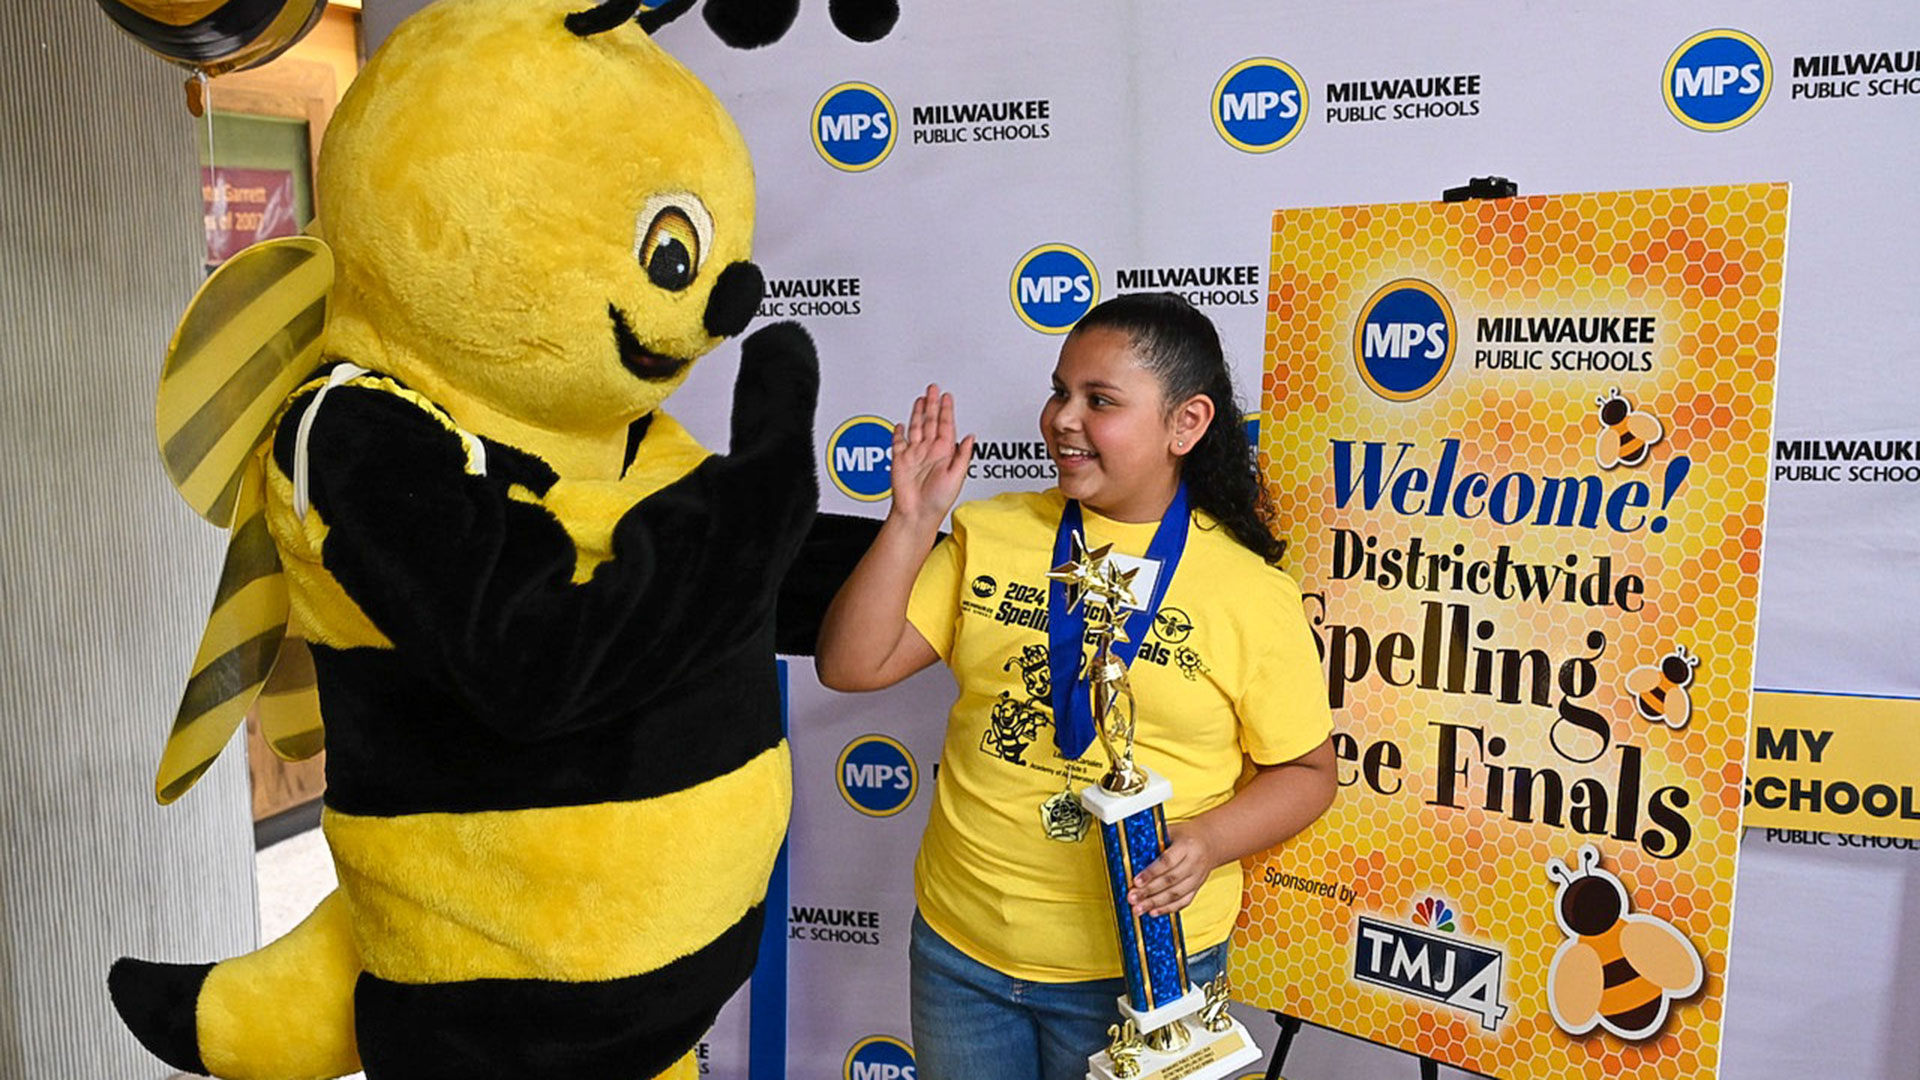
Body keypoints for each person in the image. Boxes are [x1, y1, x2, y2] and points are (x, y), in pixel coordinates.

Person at [816, 291, 1336, 1080]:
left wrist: (1208, 842)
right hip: (963, 953)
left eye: (1100, 401)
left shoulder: (1249, 592)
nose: (1063, 418)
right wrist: (911, 522)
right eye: (1060, 391)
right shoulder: (989, 533)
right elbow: (851, 666)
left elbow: (1308, 773)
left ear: (1185, 424)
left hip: (1146, 971)